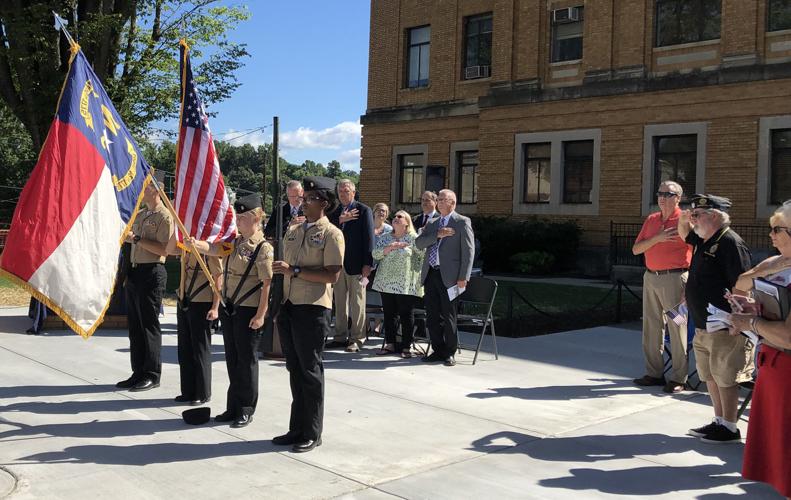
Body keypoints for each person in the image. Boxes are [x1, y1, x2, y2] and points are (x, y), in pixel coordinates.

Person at [272, 176, 344, 453]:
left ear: (324, 203)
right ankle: (297, 427)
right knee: (294, 368)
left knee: (310, 370)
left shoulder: (332, 234)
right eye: (303, 198)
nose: (304, 203)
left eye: (310, 199)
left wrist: (295, 271)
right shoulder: (294, 230)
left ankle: (312, 431)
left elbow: (332, 275)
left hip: (313, 307)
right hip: (289, 304)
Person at [190, 193, 273, 428]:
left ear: (256, 218)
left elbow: (267, 284)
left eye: (243, 217)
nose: (238, 220)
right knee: (232, 359)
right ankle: (233, 406)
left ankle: (246, 408)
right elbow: (215, 249)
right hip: (231, 307)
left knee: (246, 361)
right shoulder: (235, 242)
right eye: (238, 216)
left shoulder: (263, 247)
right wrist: (195, 244)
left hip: (248, 309)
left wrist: (261, 315)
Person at [678, 194, 754, 443]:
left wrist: (739, 320)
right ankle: (719, 421)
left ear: (714, 216)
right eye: (692, 214)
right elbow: (684, 233)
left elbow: (742, 284)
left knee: (725, 376)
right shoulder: (704, 238)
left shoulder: (730, 242)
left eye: (697, 215)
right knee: (709, 375)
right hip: (703, 324)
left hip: (724, 325)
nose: (693, 219)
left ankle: (730, 427)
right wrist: (684, 216)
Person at [729, 202, 791, 499]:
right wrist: (767, 269)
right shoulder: (774, 262)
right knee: (777, 441)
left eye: (777, 229)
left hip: (786, 363)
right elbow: (741, 284)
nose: (771, 235)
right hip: (771, 360)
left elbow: (789, 336)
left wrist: (750, 322)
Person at [632, 181, 692, 393]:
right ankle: (654, 374)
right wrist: (658, 238)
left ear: (678, 198)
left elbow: (697, 251)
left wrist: (689, 286)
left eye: (668, 194)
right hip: (651, 278)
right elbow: (636, 249)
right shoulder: (652, 220)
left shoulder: (684, 219)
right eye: (660, 193)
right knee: (651, 326)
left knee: (677, 325)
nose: (662, 197)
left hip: (675, 280)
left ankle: (679, 378)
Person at [116, 175, 173, 392]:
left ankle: (152, 374)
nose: (141, 189)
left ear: (157, 189)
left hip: (152, 271)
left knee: (149, 326)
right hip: (135, 272)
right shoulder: (140, 215)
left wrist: (137, 239)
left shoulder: (164, 216)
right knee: (135, 327)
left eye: (146, 186)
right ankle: (138, 371)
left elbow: (164, 250)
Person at [415, 189, 475, 366]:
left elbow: (469, 251)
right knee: (432, 315)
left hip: (450, 277)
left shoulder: (462, 222)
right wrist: (437, 235)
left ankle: (450, 352)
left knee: (449, 316)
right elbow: (419, 243)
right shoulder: (433, 223)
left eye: (443, 199)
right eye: (439, 199)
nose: (439, 202)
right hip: (431, 274)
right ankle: (437, 350)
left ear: (452, 203)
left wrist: (464, 276)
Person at [166, 231, 223, 406]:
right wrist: (176, 229)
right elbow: (169, 249)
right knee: (185, 348)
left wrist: (215, 307)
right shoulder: (186, 245)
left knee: (200, 349)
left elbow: (218, 278)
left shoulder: (208, 248)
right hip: (185, 298)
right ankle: (188, 390)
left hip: (202, 301)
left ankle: (202, 392)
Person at [327, 179, 374, 352]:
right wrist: (340, 219)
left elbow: (369, 238)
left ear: (353, 192)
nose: (342, 194)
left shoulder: (364, 210)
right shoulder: (334, 211)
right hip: (337, 265)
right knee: (339, 303)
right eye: (340, 191)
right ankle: (340, 337)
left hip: (357, 265)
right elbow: (326, 230)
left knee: (357, 303)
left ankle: (357, 338)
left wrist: (368, 264)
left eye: (346, 191)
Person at [372, 210, 424, 358]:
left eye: (400, 217)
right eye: (395, 216)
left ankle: (407, 346)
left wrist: (410, 248)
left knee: (406, 314)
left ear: (407, 222)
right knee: (389, 314)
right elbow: (375, 254)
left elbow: (422, 255)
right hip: (386, 282)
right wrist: (390, 247)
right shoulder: (386, 237)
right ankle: (390, 344)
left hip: (405, 283)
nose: (395, 218)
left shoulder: (413, 238)